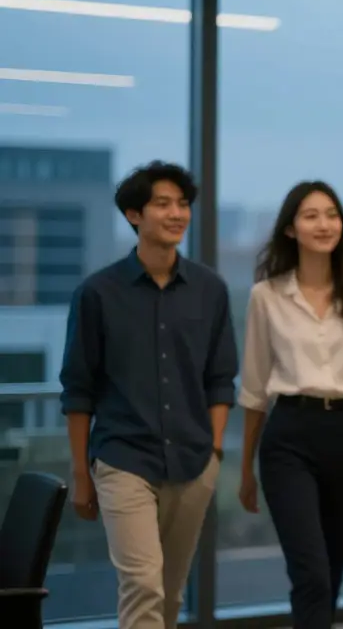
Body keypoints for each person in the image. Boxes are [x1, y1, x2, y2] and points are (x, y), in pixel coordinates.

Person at [59, 161, 238, 629]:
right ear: (135, 215)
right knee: (143, 584)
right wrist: (81, 474)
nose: (176, 213)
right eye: (163, 204)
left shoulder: (210, 291)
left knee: (171, 594)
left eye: (182, 204)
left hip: (192, 461)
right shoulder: (97, 294)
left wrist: (215, 450)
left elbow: (221, 378)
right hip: (123, 458)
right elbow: (78, 391)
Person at [236, 180, 343, 629]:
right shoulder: (266, 297)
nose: (324, 223)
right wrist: (245, 468)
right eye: (311, 215)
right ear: (291, 229)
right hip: (288, 435)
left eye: (331, 214)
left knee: (331, 572)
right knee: (309, 573)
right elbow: (254, 389)